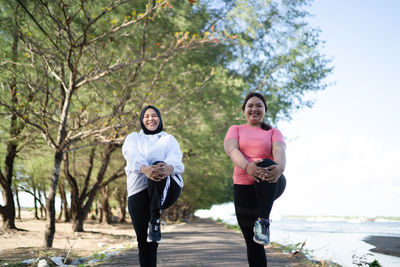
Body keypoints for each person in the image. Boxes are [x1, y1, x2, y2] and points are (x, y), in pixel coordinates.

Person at [223, 92, 287, 267]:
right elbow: (231, 150)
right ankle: (261, 229)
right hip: (243, 187)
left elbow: (280, 152)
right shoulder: (235, 129)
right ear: (244, 110)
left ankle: (263, 221)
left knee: (267, 162)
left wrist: (279, 167)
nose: (254, 109)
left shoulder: (274, 132)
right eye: (250, 105)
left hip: (271, 183)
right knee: (253, 243)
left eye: (259, 105)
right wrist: (247, 166)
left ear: (265, 110)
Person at [122, 105, 184, 267]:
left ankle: (155, 218)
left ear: (160, 118)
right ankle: (153, 224)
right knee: (145, 242)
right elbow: (131, 154)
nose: (151, 118)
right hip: (138, 191)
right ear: (142, 120)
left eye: (154, 115)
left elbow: (175, 159)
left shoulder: (168, 139)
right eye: (146, 116)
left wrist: (167, 168)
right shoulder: (133, 138)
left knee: (159, 165)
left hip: (167, 187)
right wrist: (145, 169)